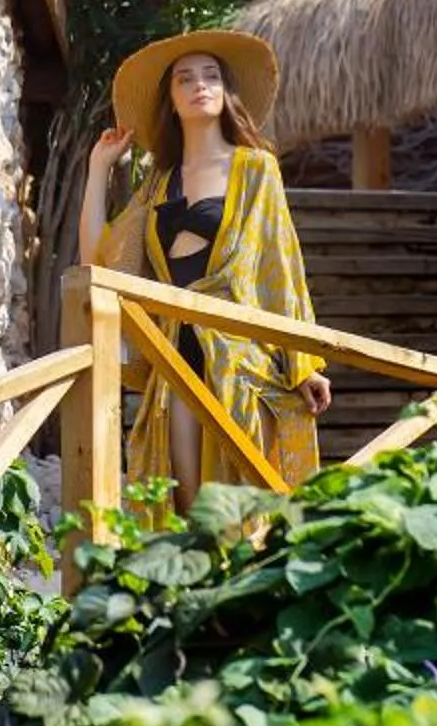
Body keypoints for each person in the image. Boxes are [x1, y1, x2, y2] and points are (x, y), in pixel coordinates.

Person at [79, 28, 331, 509]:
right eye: (185, 79)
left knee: (240, 502)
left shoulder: (256, 169)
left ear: (226, 91)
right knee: (188, 502)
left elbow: (282, 267)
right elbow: (97, 258)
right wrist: (98, 170)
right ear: (171, 101)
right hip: (174, 351)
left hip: (238, 353)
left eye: (211, 76)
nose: (200, 85)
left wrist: (304, 364)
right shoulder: (158, 183)